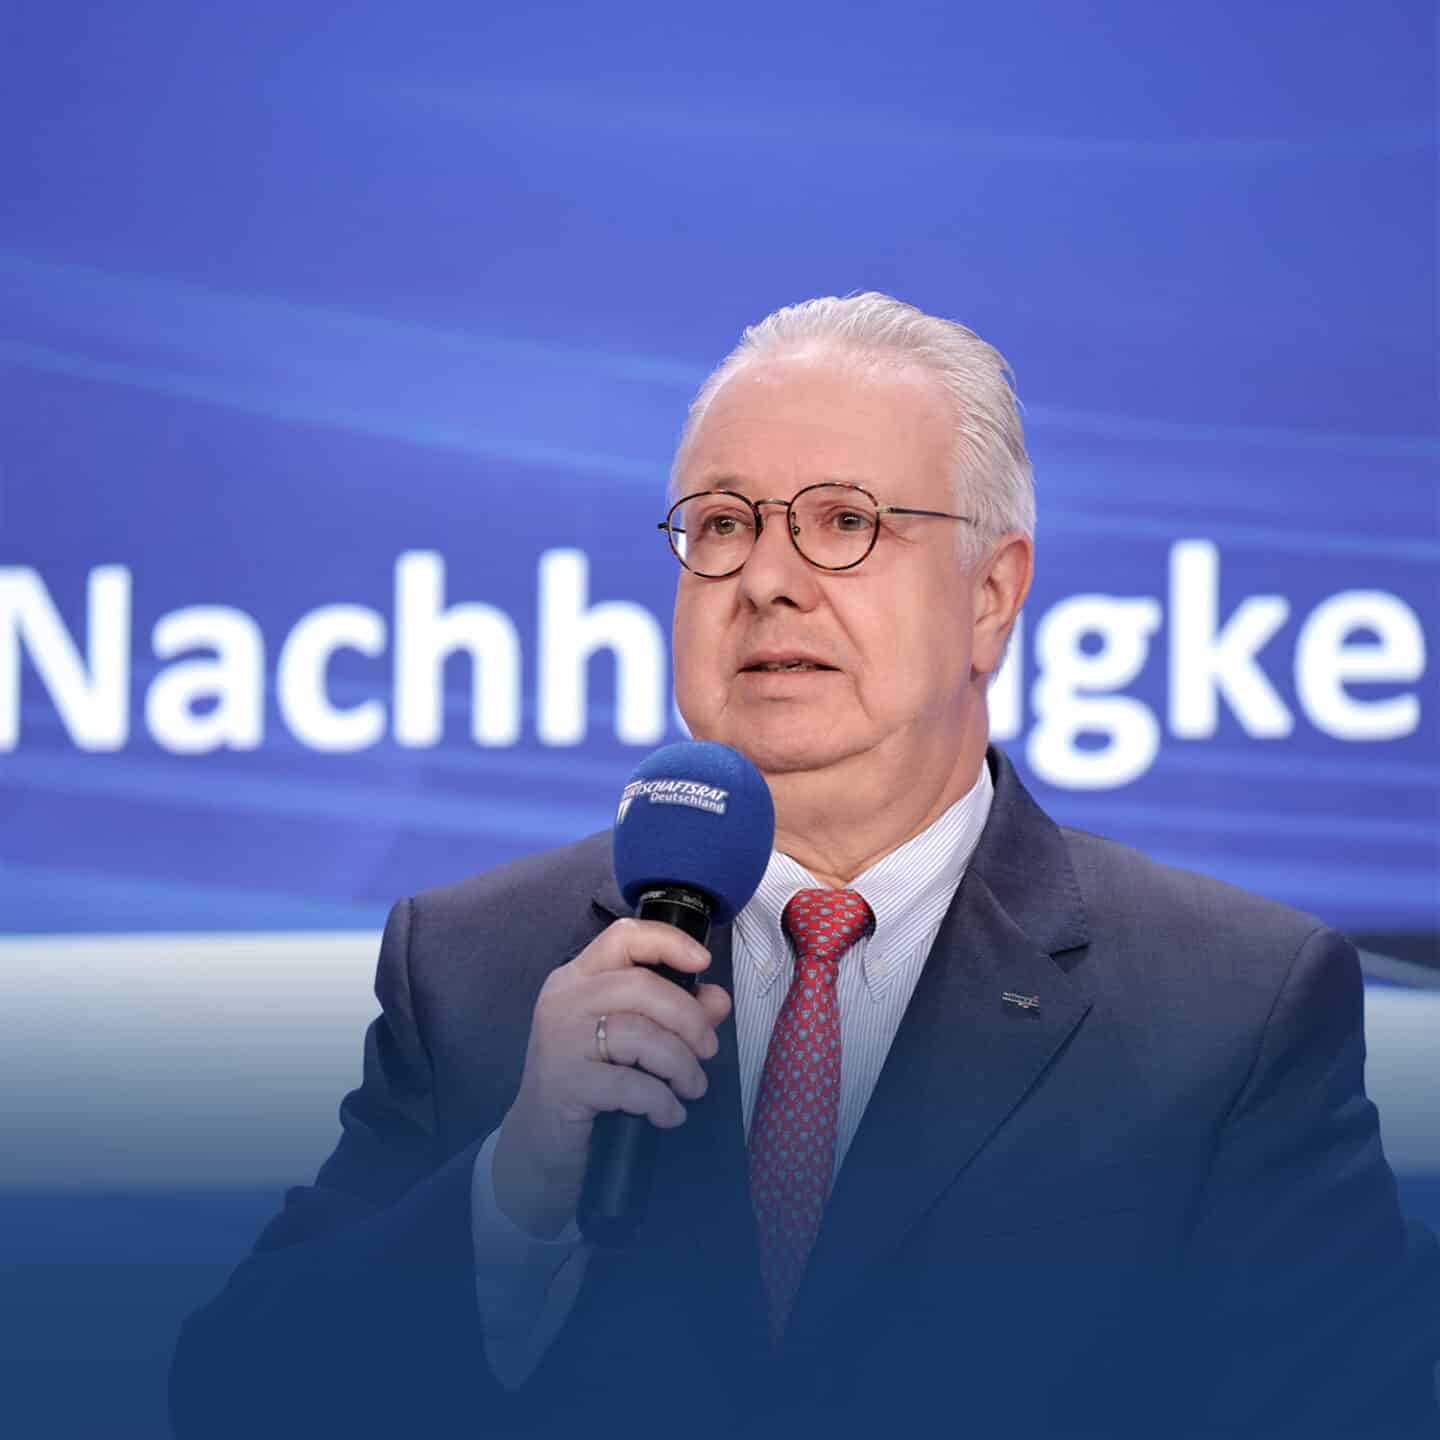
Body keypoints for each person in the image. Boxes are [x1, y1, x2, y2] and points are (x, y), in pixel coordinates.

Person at [171, 294, 1440, 1439]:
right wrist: (517, 1192)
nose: (768, 580)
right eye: (722, 525)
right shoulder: (476, 967)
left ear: (992, 595)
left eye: (846, 521)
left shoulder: (1235, 1005)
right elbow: (239, 1400)